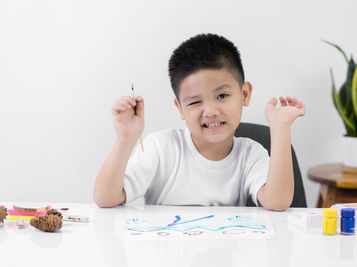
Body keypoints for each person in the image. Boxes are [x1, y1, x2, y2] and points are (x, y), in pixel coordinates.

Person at [94, 33, 306, 210]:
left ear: (244, 94)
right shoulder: (160, 147)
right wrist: (125, 139)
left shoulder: (251, 154)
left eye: (222, 96)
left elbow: (277, 203)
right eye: (195, 102)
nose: (211, 111)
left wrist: (280, 128)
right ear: (181, 109)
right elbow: (106, 198)